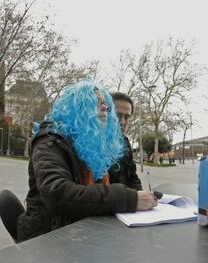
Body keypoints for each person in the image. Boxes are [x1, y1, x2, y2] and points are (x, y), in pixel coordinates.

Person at [17, 80, 157, 242]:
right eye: (96, 104)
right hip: (48, 237)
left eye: (106, 106)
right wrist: (128, 198)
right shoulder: (51, 138)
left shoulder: (94, 144)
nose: (104, 108)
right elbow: (57, 193)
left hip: (83, 231)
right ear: (76, 107)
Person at [110, 92, 143, 190]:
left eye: (127, 117)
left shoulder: (125, 141)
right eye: (117, 115)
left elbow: (132, 177)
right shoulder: (90, 144)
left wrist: (142, 196)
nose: (122, 122)